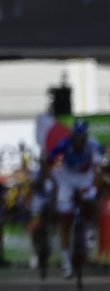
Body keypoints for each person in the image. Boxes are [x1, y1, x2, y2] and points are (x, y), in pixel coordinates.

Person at [46, 119, 101, 278]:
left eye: (81, 137)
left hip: (84, 177)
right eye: (76, 136)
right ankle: (66, 264)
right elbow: (49, 160)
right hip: (67, 178)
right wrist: (52, 176)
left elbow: (98, 163)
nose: (78, 140)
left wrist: (95, 182)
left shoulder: (93, 144)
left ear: (86, 136)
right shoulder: (64, 144)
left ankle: (90, 228)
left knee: (90, 197)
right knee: (65, 218)